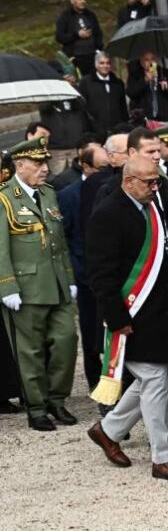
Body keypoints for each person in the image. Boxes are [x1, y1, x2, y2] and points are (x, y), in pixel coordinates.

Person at [84, 158, 168, 479]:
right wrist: (116, 318)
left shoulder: (152, 205)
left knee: (150, 379)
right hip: (132, 313)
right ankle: (163, 456)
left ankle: (108, 430)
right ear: (128, 182)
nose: (156, 187)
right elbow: (101, 275)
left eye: (157, 182)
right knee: (155, 379)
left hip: (162, 311)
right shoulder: (108, 215)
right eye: (149, 182)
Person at [0, 137, 78, 432]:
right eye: (37, 163)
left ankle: (57, 399)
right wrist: (6, 285)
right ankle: (36, 406)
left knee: (66, 341)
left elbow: (60, 242)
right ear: (20, 165)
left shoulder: (48, 194)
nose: (44, 169)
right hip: (26, 287)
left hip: (56, 283)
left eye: (45, 163)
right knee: (29, 351)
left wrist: (69, 279)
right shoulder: (5, 197)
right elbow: (0, 247)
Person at [57, 145, 108, 391]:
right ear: (86, 166)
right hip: (86, 276)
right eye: (101, 168)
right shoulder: (69, 195)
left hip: (110, 274)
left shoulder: (113, 187)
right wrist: (75, 272)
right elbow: (65, 237)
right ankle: (95, 381)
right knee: (90, 333)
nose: (106, 172)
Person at [78, 52, 130, 139]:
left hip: (116, 130)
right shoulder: (85, 82)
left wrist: (124, 126)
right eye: (102, 63)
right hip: (94, 130)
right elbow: (82, 107)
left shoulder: (118, 83)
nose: (105, 66)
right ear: (96, 64)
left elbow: (123, 107)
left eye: (108, 63)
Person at [127, 51, 168, 122]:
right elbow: (131, 93)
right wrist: (144, 81)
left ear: (156, 60)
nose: (150, 62)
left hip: (165, 120)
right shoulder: (135, 76)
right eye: (146, 60)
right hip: (145, 121)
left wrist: (167, 88)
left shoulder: (165, 73)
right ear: (141, 63)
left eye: (152, 59)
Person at [55, 0, 103, 77]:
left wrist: (98, 49)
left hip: (92, 57)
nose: (83, 1)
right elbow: (59, 37)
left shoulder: (90, 15)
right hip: (75, 59)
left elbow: (98, 33)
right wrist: (77, 35)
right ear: (72, 0)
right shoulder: (65, 16)